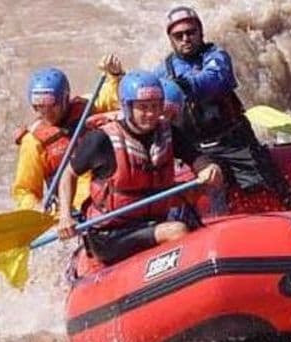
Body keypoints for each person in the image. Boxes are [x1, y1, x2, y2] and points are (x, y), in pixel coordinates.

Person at [56, 70, 223, 265]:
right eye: (143, 108)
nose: (151, 114)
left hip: (153, 221)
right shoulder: (101, 140)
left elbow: (198, 159)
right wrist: (65, 216)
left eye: (155, 106)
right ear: (127, 107)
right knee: (177, 230)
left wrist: (208, 169)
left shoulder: (169, 133)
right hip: (111, 233)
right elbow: (68, 174)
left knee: (190, 211)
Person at [155, 5, 291, 211]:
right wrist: (117, 79)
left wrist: (184, 85)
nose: (185, 39)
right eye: (178, 35)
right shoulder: (162, 71)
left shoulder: (216, 56)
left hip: (234, 141)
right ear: (171, 39)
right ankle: (220, 226)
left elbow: (216, 79)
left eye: (191, 33)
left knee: (270, 183)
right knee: (213, 188)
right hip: (197, 150)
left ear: (201, 33)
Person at [11, 55, 123, 212]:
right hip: (72, 210)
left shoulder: (87, 107)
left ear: (65, 98)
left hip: (106, 195)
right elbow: (25, 191)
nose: (46, 113)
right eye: (38, 107)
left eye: (52, 106)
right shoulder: (33, 141)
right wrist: (36, 207)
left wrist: (116, 76)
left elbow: (113, 98)